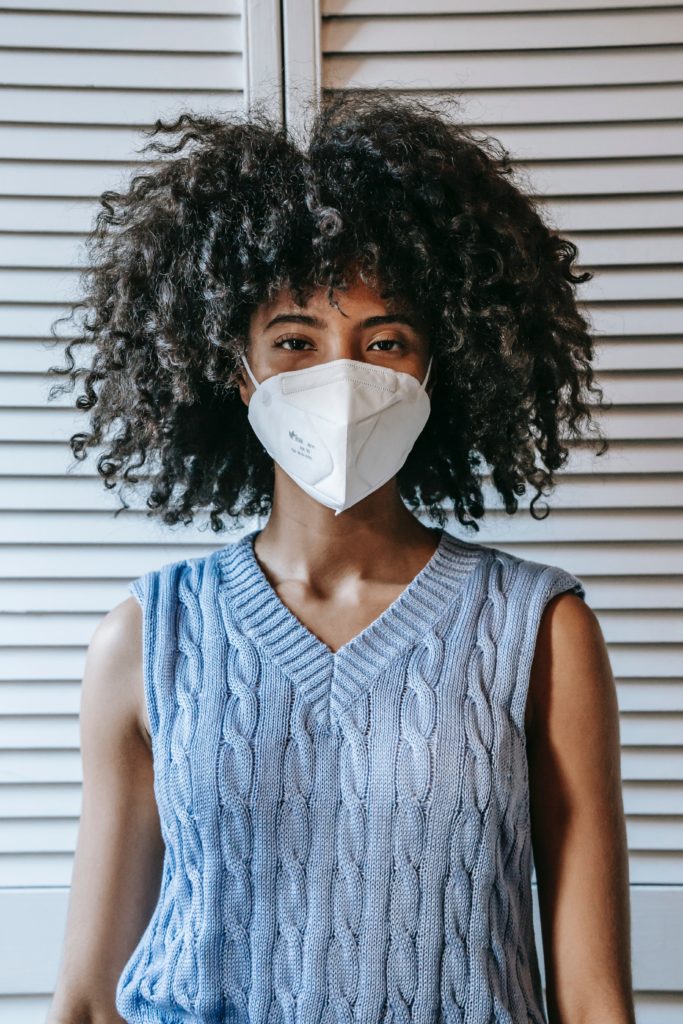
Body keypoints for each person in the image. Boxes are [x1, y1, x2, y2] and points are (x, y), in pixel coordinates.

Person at [45, 91, 635, 1024]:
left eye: (384, 340)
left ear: (445, 364)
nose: (341, 378)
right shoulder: (146, 639)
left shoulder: (540, 632)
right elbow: (85, 1000)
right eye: (293, 341)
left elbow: (595, 999)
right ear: (232, 371)